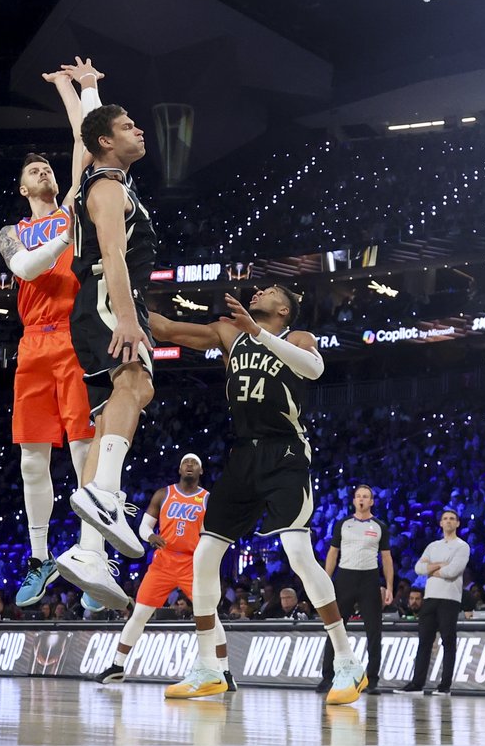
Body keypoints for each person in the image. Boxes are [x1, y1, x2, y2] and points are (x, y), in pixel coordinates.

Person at [147, 288, 365, 705]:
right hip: (243, 453)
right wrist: (120, 298)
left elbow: (315, 370)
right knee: (203, 557)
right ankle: (210, 667)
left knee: (299, 554)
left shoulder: (298, 338)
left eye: (269, 291)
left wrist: (260, 335)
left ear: (283, 309)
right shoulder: (229, 334)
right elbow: (168, 328)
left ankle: (348, 663)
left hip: (285, 452)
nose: (259, 291)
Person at [0, 60, 99, 610]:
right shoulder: (14, 232)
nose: (42, 171)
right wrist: (67, 234)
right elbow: (28, 270)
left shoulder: (68, 208)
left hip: (72, 338)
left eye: (47, 167)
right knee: (32, 459)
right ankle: (40, 558)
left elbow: (83, 142)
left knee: (84, 449)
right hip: (33, 344)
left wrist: (73, 87)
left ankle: (87, 553)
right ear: (21, 186)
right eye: (33, 170)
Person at [55, 91, 158, 609]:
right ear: (105, 141)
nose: (139, 131)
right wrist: (126, 318)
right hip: (105, 300)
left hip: (107, 303)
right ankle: (103, 495)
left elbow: (83, 133)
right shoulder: (108, 187)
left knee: (110, 418)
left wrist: (86, 88)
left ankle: (88, 550)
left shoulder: (111, 181)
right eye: (129, 125)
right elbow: (113, 256)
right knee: (135, 384)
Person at [95, 452, 233, 691]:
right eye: (185, 463)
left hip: (193, 564)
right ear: (180, 470)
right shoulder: (163, 494)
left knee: (212, 617)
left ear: (201, 472)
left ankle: (225, 672)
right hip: (163, 563)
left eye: (195, 463)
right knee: (139, 614)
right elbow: (144, 526)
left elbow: (214, 533)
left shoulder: (209, 499)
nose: (189, 465)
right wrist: (151, 536)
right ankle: (117, 666)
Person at [319, 484, 395, 695]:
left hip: (369, 578)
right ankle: (328, 677)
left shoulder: (380, 526)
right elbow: (333, 553)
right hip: (345, 577)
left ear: (371, 501)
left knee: (374, 630)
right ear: (353, 500)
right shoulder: (343, 524)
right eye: (359, 496)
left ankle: (372, 680)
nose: (362, 499)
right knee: (335, 627)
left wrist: (389, 586)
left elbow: (387, 558)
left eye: (366, 497)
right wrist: (326, 580)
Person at [396, 510, 471, 696]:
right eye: (445, 518)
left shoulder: (462, 547)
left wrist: (432, 568)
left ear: (458, 523)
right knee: (424, 642)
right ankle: (417, 684)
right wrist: (439, 565)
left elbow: (452, 572)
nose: (448, 521)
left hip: (449, 599)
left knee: (448, 642)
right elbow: (418, 568)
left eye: (452, 519)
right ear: (440, 523)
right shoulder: (433, 545)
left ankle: (444, 686)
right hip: (430, 598)